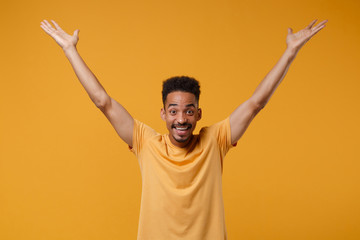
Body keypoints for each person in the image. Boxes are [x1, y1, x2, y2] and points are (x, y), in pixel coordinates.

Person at [40, 19, 327, 240]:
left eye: (189, 110)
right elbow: (102, 101)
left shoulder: (216, 140)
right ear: (163, 114)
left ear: (198, 114)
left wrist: (290, 52)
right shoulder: (145, 141)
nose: (181, 118)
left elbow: (256, 103)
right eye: (174, 111)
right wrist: (70, 50)